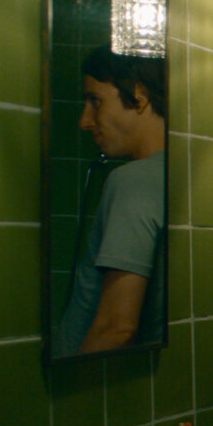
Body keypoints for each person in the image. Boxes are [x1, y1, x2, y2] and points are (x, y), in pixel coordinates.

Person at [53, 48, 167, 357]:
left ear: (139, 96)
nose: (84, 121)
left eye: (95, 101)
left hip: (91, 380)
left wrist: (71, 384)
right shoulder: (177, 174)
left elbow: (117, 328)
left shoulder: (133, 181)